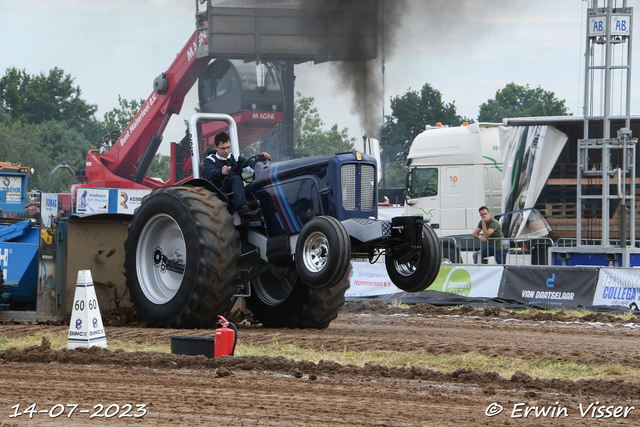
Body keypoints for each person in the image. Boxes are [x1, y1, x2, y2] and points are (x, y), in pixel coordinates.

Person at [202, 132, 270, 215]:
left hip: (238, 191)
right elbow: (210, 173)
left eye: (228, 147)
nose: (226, 151)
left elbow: (251, 164)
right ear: (216, 147)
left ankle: (267, 207)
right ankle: (243, 210)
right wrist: (221, 172)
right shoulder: (210, 160)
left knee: (256, 185)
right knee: (236, 178)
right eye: (223, 148)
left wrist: (261, 160)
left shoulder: (235, 158)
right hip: (222, 192)